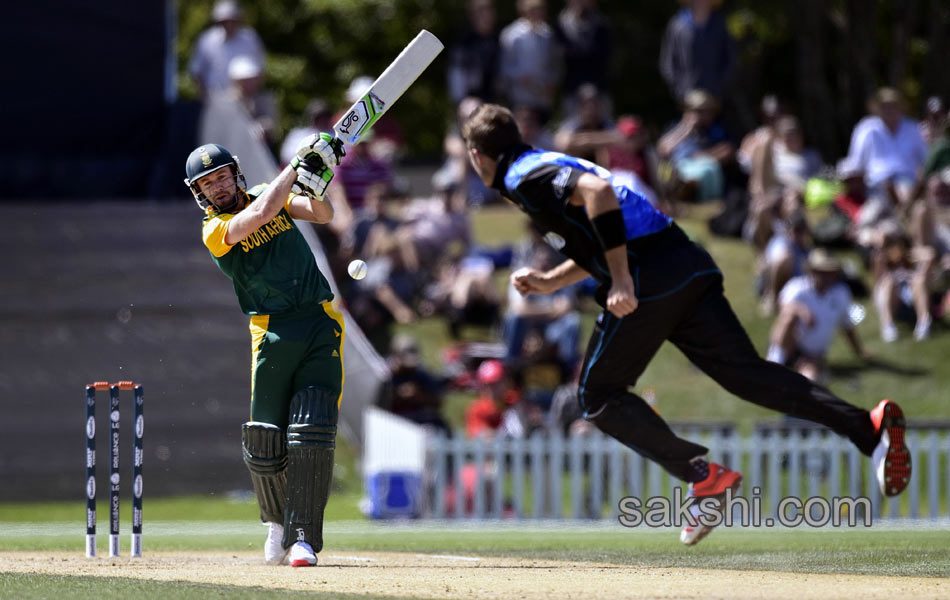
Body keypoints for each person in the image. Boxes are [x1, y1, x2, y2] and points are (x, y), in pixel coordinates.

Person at [461, 103, 911, 546]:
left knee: (596, 395)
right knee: (745, 374)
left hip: (649, 275)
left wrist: (619, 278)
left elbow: (598, 193)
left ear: (477, 156)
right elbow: (603, 228)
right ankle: (869, 430)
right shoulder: (542, 164)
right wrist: (550, 280)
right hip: (685, 262)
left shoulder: (523, 174)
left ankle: (702, 477)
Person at [183, 131, 346, 567]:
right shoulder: (214, 230)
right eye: (207, 184)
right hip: (271, 331)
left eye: (221, 177)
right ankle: (275, 524)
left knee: (313, 426)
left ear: (235, 173)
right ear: (200, 194)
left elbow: (322, 214)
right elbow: (262, 212)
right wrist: (295, 166)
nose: (217, 186)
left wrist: (318, 178)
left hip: (317, 320)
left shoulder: (263, 194)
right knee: (266, 438)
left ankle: (304, 539)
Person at [766, 249, 868, 382]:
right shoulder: (797, 287)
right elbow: (783, 305)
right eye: (821, 271)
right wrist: (801, 310)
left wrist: (859, 351)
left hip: (812, 353)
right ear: (812, 271)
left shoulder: (841, 294)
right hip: (790, 344)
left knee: (810, 379)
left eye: (829, 272)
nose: (825, 276)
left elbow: (846, 325)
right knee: (789, 316)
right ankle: (774, 363)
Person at [188, 1, 266, 100]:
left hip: (245, 101)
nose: (229, 24)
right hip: (215, 99)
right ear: (218, 21)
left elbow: (261, 68)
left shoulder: (250, 38)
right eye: (224, 21)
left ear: (239, 19)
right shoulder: (207, 40)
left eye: (232, 20)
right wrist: (204, 96)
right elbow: (196, 71)